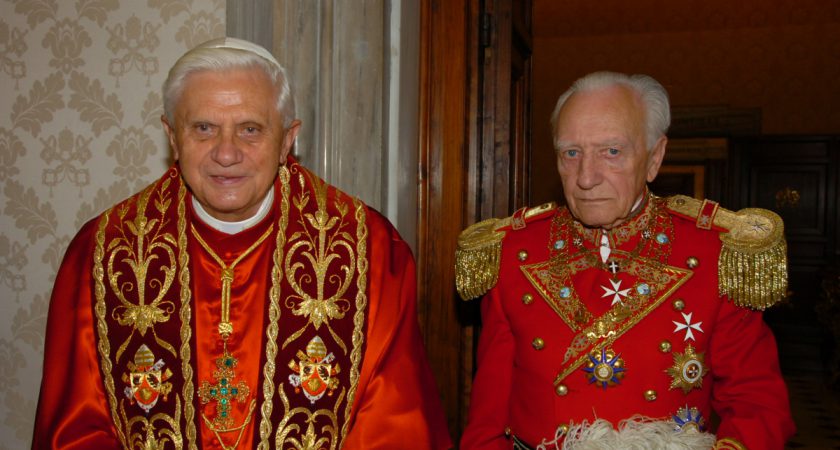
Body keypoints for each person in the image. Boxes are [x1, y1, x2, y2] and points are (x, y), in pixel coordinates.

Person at [32, 37, 452, 450]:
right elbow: (75, 429)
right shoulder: (103, 252)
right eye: (203, 128)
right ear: (172, 137)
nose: (227, 153)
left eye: (250, 129)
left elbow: (394, 427)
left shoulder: (370, 251)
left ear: (288, 139)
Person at [455, 71, 795, 450]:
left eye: (611, 152)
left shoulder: (716, 254)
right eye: (571, 153)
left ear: (655, 157)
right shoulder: (514, 253)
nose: (586, 178)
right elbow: (487, 423)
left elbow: (757, 407)